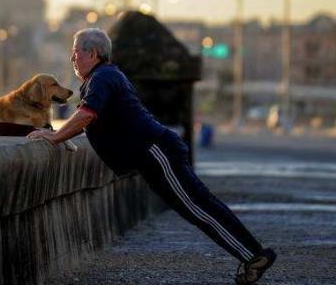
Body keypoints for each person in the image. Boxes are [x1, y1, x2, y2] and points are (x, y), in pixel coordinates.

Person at [27, 28, 276, 285]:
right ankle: (252, 256)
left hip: (156, 152)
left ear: (92, 53)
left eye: (75, 52)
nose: (72, 58)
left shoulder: (103, 77)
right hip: (153, 154)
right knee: (197, 206)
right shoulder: (104, 76)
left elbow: (87, 114)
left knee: (198, 206)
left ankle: (254, 255)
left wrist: (55, 137)